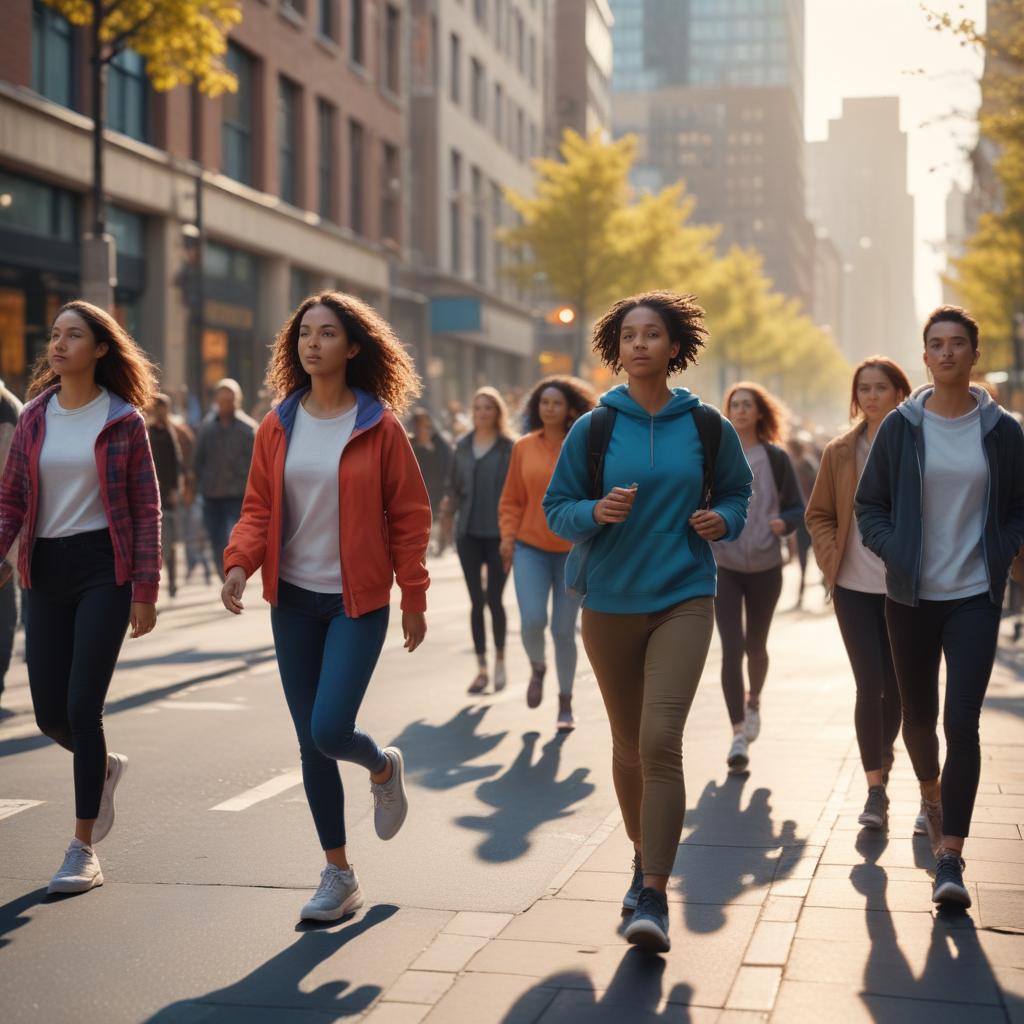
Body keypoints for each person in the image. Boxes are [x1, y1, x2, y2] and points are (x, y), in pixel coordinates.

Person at [544, 291, 752, 954]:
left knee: (661, 740)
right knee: (628, 744)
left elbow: (738, 492)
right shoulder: (594, 428)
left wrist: (725, 520)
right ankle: (643, 856)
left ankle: (656, 893)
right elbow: (557, 507)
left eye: (652, 333)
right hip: (608, 601)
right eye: (629, 335)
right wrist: (593, 512)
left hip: (684, 594)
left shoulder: (707, 425)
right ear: (617, 348)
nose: (639, 344)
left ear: (674, 346)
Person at [221, 291, 431, 922]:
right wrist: (239, 564)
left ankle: (381, 766)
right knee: (310, 745)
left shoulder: (379, 426)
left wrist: (413, 595)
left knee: (329, 729)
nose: (313, 343)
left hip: (355, 601)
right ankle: (339, 874)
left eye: (328, 333)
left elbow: (410, 516)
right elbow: (258, 507)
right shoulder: (277, 424)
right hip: (292, 600)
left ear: (354, 347)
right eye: (305, 333)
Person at [856, 305, 1024, 908]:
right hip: (911, 595)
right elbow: (869, 505)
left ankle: (950, 855)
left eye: (957, 343)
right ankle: (930, 792)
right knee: (919, 718)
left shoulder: (1003, 430)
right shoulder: (902, 427)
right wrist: (894, 549)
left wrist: (1003, 547)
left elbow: (1019, 506)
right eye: (936, 344)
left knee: (962, 723)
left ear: (974, 354)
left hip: (975, 594)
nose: (947, 352)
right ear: (925, 356)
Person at [0, 300, 160, 894]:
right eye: (56, 334)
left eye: (74, 335)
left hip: (103, 569)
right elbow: (11, 498)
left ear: (100, 348)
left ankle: (82, 849)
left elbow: (146, 509)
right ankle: (103, 767)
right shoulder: (34, 416)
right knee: (49, 714)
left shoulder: (123, 420)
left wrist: (145, 589)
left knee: (82, 707)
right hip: (44, 568)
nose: (59, 344)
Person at [806, 357, 913, 832]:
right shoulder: (840, 451)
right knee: (870, 686)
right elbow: (818, 513)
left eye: (880, 387)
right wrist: (832, 555)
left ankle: (883, 755)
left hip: (903, 588)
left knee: (898, 689)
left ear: (899, 393)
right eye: (864, 388)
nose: (871, 396)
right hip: (852, 586)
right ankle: (875, 789)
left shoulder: (917, 444)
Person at [712, 382, 804, 776]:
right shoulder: (716, 457)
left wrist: (784, 523)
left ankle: (754, 702)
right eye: (735, 404)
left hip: (766, 565)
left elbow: (798, 507)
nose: (741, 410)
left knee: (756, 646)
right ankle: (737, 733)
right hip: (724, 563)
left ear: (760, 412)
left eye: (748, 404)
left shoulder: (775, 457)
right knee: (731, 648)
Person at [499, 376, 596, 730]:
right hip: (530, 549)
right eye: (544, 402)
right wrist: (507, 538)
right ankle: (538, 666)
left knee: (563, 630)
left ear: (570, 409)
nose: (549, 408)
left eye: (556, 403)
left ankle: (565, 701)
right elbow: (512, 499)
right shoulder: (523, 447)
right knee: (532, 621)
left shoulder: (581, 446)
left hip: (573, 550)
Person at [443, 387, 515, 694]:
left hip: (500, 535)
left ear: (497, 412)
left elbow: (517, 491)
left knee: (494, 599)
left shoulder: (509, 447)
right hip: (468, 534)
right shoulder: (462, 446)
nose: (482, 413)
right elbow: (453, 487)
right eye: (478, 408)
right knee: (476, 601)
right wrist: (446, 516)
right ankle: (482, 668)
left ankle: (500, 661)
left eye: (488, 407)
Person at [194, 378, 256, 578]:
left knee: (235, 537)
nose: (225, 405)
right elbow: (198, 460)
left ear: (237, 401)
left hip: (238, 494)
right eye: (222, 401)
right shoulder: (206, 429)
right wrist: (195, 485)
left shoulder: (248, 429)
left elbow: (258, 465)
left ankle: (235, 571)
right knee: (216, 539)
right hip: (212, 494)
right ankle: (224, 573)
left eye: (229, 401)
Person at [147, 394, 184, 598]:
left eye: (163, 407)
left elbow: (176, 462)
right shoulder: (146, 430)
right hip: (149, 493)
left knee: (170, 539)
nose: (160, 411)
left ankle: (172, 581)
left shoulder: (171, 431)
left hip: (167, 494)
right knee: (153, 542)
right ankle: (154, 583)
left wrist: (175, 489)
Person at [0, 379, 22, 719]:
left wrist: (8, 557)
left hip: (3, 538)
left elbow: (16, 491)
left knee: (4, 614)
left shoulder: (9, 413)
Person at [409, 408, 454, 556]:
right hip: (416, 493)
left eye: (427, 425)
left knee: (435, 521)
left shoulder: (439, 445)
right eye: (419, 425)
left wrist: (447, 492)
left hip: (437, 491)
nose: (423, 429)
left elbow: (448, 467)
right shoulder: (409, 444)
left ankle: (437, 545)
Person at [787, 432, 819, 609]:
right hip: (802, 517)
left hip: (811, 516)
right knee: (803, 559)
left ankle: (824, 587)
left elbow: (815, 488)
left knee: (817, 555)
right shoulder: (796, 464)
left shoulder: (806, 464)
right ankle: (801, 595)